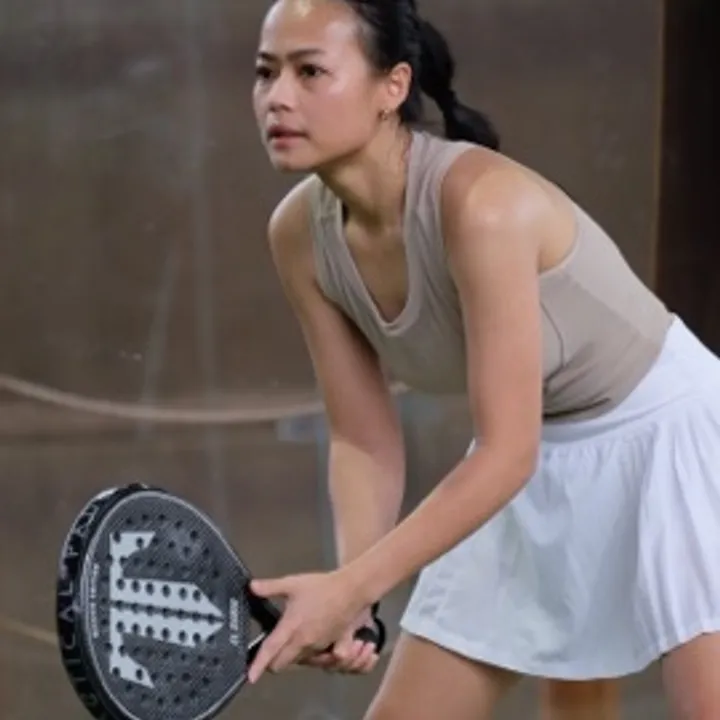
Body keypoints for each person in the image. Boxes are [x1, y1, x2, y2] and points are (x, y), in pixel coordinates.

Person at [245, 0, 720, 718]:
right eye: (266, 72)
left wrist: (348, 589)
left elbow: (505, 454)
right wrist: (357, 595)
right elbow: (362, 438)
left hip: (671, 435)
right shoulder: (297, 235)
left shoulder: (482, 205)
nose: (278, 97)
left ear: (392, 87)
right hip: (535, 448)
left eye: (311, 72)